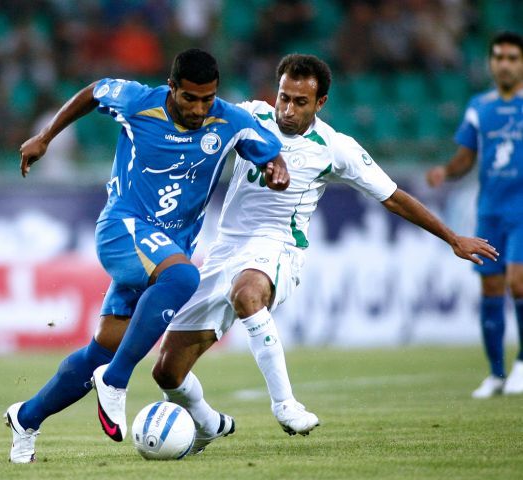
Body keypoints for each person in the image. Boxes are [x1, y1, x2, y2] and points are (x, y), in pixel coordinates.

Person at [151, 54, 499, 454]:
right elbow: (192, 111)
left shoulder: (335, 147)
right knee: (167, 372)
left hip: (279, 247)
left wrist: (452, 238)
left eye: (300, 102)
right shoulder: (251, 117)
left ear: (320, 103)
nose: (287, 109)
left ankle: (285, 404)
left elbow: (393, 197)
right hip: (224, 250)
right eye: (284, 97)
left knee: (247, 293)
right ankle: (210, 424)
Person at [5, 48, 289, 463]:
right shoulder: (138, 101)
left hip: (160, 254)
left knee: (103, 348)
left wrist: (277, 169)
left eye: (207, 98)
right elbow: (93, 91)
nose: (199, 109)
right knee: (184, 278)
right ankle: (115, 381)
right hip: (123, 229)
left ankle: (26, 419)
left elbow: (269, 151)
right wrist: (45, 137)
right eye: (190, 98)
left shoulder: (229, 121)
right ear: (172, 87)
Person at [425, 31, 523, 398]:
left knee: (518, 282)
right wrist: (446, 172)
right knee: (491, 288)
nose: (504, 64)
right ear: (490, 63)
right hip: (490, 212)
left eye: (512, 58)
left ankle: (522, 364)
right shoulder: (479, 106)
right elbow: (466, 158)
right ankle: (496, 374)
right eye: (498, 57)